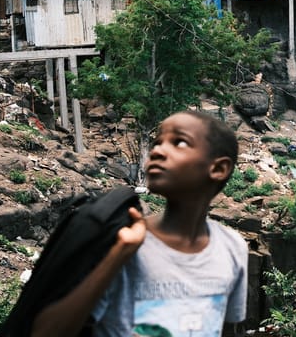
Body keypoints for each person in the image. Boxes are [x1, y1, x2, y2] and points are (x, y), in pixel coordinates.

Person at [30, 110, 248, 337]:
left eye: (179, 142)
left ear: (218, 169)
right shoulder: (122, 239)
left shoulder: (232, 248)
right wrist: (118, 255)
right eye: (157, 142)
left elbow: (223, 326)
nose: (157, 151)